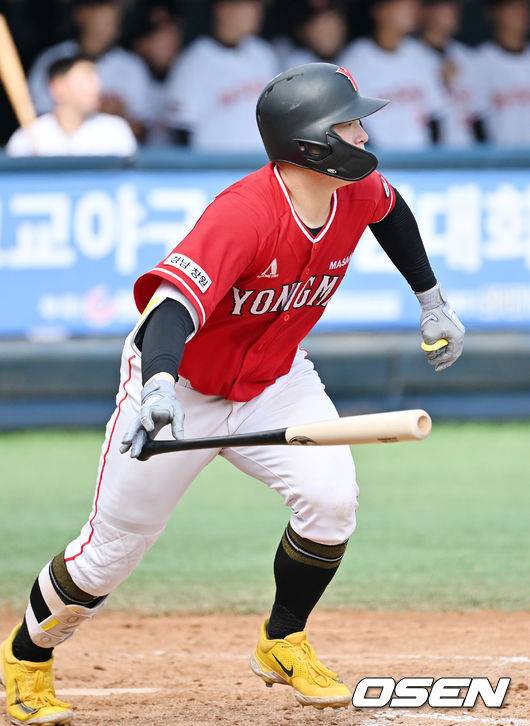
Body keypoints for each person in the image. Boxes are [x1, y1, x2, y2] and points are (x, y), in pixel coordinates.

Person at [0, 62, 465, 723]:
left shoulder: (355, 190)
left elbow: (392, 213)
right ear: (312, 144)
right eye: (349, 124)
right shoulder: (244, 214)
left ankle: (282, 640)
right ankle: (27, 657)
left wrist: (431, 299)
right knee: (109, 554)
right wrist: (157, 384)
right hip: (179, 389)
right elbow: (169, 309)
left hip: (276, 380)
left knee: (331, 501)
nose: (363, 135)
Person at [28, 0, 152, 140]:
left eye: (116, 15)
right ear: (82, 14)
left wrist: (118, 116)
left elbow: (145, 130)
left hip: (111, 149)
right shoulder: (53, 58)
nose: (112, 22)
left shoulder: (132, 66)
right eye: (103, 11)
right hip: (59, 147)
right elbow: (34, 117)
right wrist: (83, 109)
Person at [165, 0, 278, 150]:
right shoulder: (193, 62)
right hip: (215, 162)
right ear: (223, 9)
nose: (257, 11)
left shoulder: (264, 55)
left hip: (260, 160)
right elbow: (180, 131)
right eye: (249, 4)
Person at [339, 0, 446, 148]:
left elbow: (436, 115)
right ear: (380, 11)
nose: (413, 9)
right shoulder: (354, 60)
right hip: (378, 157)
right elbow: (350, 121)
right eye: (404, 4)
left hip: (422, 157)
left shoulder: (423, 56)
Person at [6, 54, 137, 157]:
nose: (97, 86)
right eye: (87, 77)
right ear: (58, 87)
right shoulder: (27, 137)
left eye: (96, 78)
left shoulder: (115, 131)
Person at [418, 0, 479, 146]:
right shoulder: (409, 56)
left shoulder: (467, 56)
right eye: (445, 6)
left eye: (454, 6)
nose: (453, 11)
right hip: (431, 152)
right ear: (425, 11)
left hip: (469, 150)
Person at [471, 0, 530, 146]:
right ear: (494, 13)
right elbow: (475, 120)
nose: (520, 13)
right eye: (512, 7)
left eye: (524, 7)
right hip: (500, 156)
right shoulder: (477, 62)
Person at [129, 3, 184, 145]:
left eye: (173, 34)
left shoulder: (187, 76)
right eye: (161, 36)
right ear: (141, 44)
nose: (171, 42)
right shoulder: (127, 75)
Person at [279, 0, 349, 69]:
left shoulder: (354, 55)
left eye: (332, 25)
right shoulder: (295, 64)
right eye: (319, 27)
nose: (327, 31)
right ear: (302, 32)